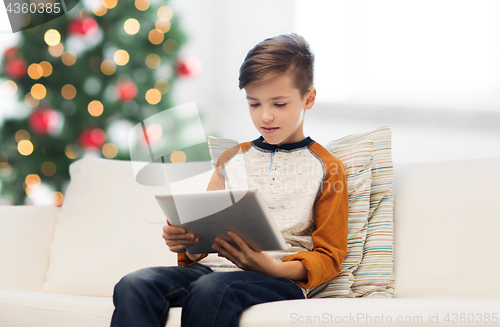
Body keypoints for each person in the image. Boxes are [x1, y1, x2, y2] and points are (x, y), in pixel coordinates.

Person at [110, 33, 349, 327]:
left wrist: (271, 268)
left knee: (211, 290)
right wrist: (187, 242)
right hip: (211, 272)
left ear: (308, 98)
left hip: (275, 279)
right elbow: (202, 243)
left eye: (279, 104)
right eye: (254, 104)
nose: (266, 116)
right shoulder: (231, 159)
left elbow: (329, 257)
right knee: (134, 283)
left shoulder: (328, 168)